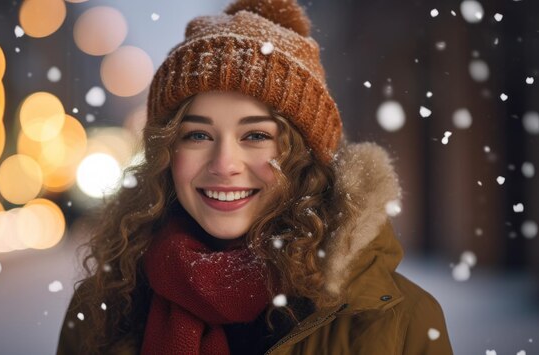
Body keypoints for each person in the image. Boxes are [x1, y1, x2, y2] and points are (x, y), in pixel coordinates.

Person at [57, 0, 453, 354]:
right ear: (166, 152)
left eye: (256, 135)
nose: (224, 163)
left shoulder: (399, 323)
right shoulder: (105, 311)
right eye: (198, 135)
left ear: (304, 157)